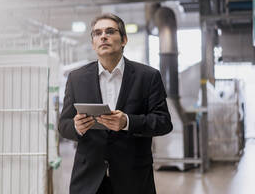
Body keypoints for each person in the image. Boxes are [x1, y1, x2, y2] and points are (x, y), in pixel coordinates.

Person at [58, 13, 173, 194]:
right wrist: (77, 127)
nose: (103, 36)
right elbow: (63, 125)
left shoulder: (148, 77)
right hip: (89, 181)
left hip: (134, 180)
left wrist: (127, 122)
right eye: (97, 33)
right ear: (93, 43)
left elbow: (164, 122)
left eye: (110, 31)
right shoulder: (76, 78)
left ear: (124, 40)